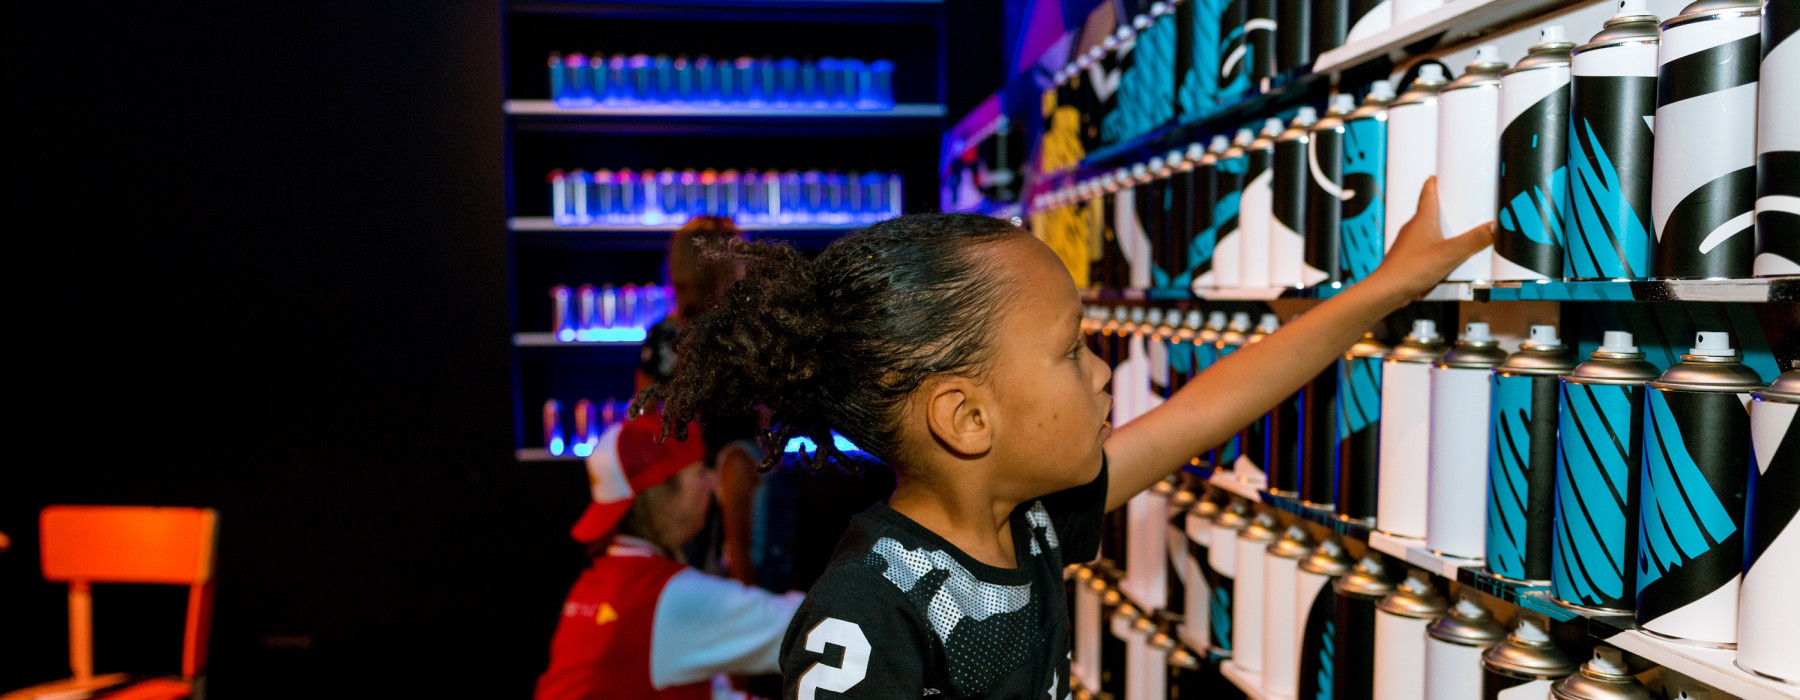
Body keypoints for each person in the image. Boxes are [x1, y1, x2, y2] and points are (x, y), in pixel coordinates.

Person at [634, 178, 1491, 698]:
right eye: (1071, 348)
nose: (1102, 371)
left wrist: (1386, 287)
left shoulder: (1032, 519)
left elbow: (1211, 406)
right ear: (967, 418)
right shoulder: (868, 614)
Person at [534, 412, 804, 700]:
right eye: (701, 471)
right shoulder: (666, 595)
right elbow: (807, 627)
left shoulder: (598, 581)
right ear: (663, 494)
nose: (713, 484)